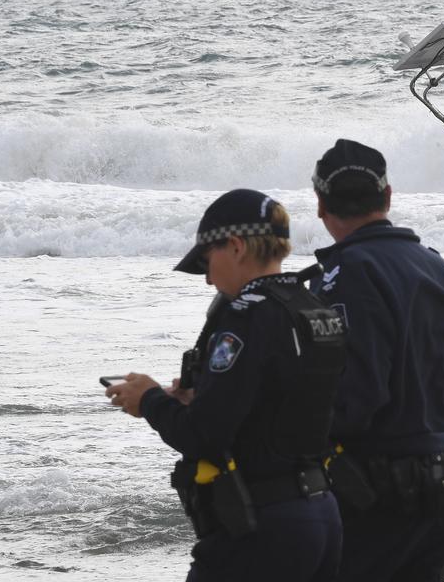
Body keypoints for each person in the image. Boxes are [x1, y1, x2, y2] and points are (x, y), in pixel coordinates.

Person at [106, 189, 347, 582]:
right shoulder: (314, 309)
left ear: (235, 247)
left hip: (262, 525)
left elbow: (204, 435)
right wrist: (198, 398)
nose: (206, 279)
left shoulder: (247, 317)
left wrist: (148, 399)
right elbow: (288, 403)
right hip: (322, 513)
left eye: (206, 261)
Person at [308, 139, 444, 582]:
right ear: (387, 196)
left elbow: (353, 399)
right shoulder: (439, 270)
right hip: (442, 486)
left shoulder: (344, 277)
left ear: (321, 205)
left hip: (372, 496)